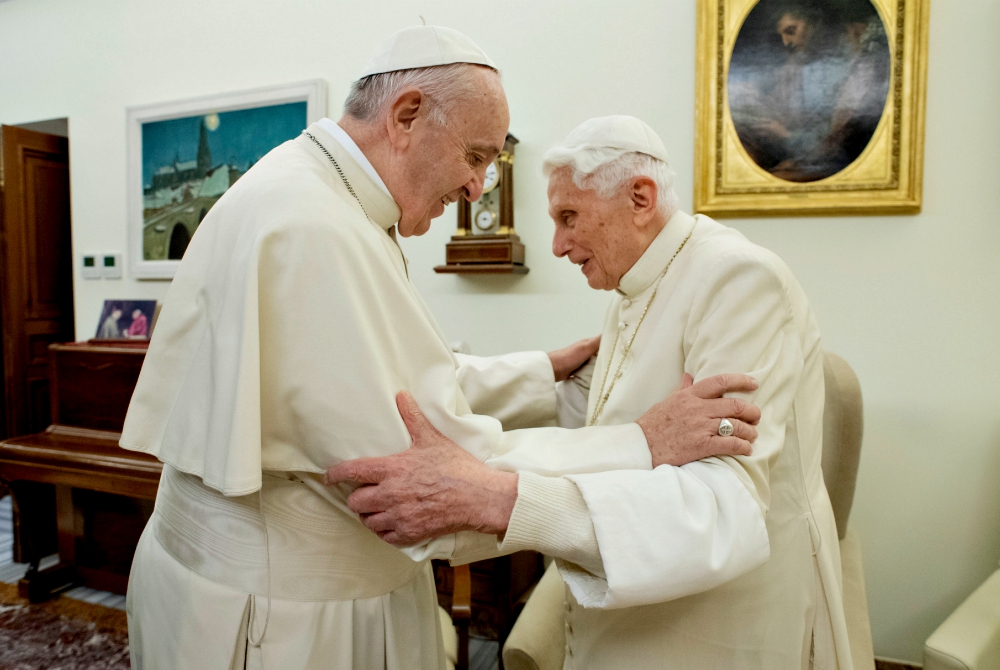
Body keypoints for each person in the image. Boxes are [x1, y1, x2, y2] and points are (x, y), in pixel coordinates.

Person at [120, 28, 760, 670]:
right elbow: (434, 475)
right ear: (406, 116)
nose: (478, 187)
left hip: (237, 588)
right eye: (476, 156)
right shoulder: (316, 227)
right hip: (288, 622)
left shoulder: (305, 189)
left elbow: (395, 384)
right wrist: (641, 443)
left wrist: (542, 371)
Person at [329, 116, 854, 668]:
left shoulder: (740, 279)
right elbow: (607, 414)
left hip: (719, 620)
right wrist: (548, 377)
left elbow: (721, 501)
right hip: (639, 599)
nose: (557, 245)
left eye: (569, 217)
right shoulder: (637, 280)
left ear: (640, 197)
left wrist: (500, 497)